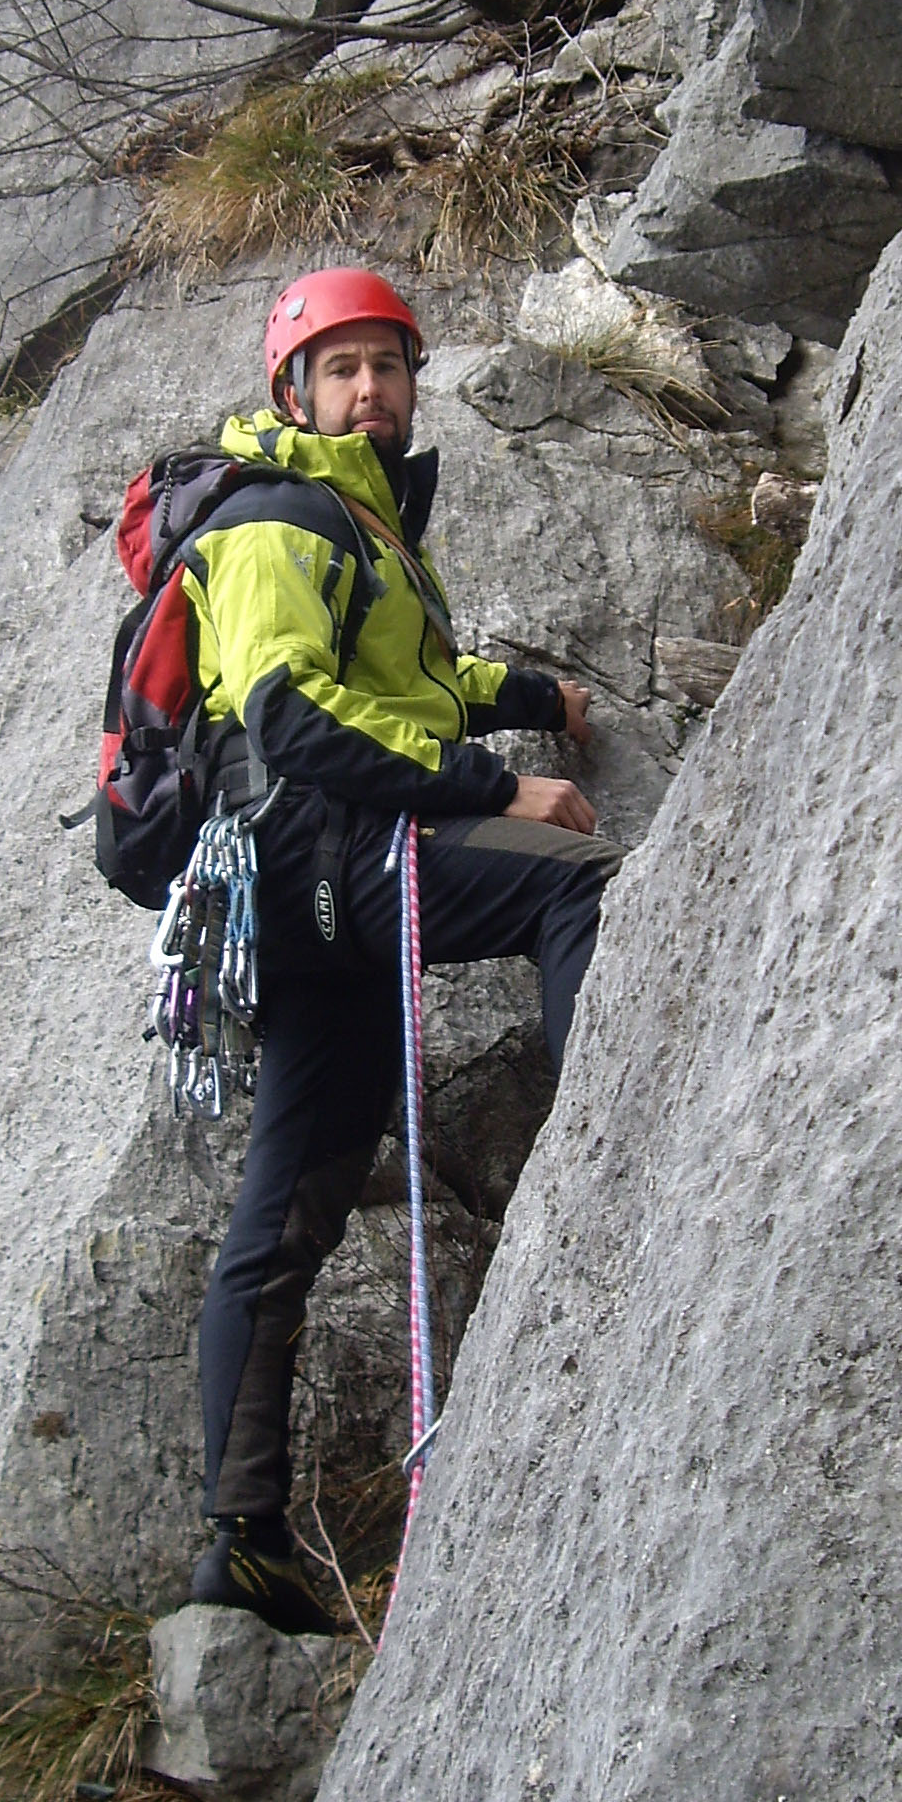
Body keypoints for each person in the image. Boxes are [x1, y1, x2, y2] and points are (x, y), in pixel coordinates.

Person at [182, 266, 617, 1631]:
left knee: (294, 1205)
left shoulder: (356, 529)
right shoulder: (276, 521)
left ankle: (241, 1543)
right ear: (295, 394)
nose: (373, 389)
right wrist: (501, 788)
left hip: (300, 901)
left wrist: (526, 696)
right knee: (580, 888)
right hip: (328, 848)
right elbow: (293, 716)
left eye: (391, 365)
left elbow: (401, 686)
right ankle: (632, 1169)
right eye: (344, 369)